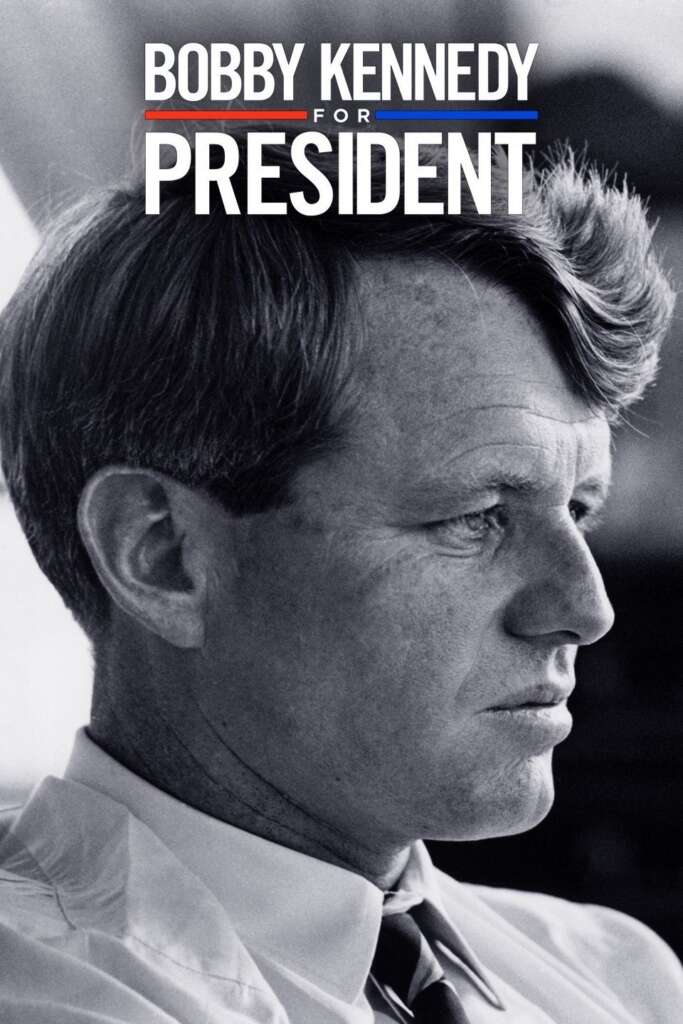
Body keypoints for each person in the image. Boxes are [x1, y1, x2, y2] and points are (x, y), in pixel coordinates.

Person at [0, 137, 680, 1023]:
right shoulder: (48, 996)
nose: (584, 611)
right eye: (474, 517)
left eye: (579, 511)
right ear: (161, 554)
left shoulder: (623, 976)